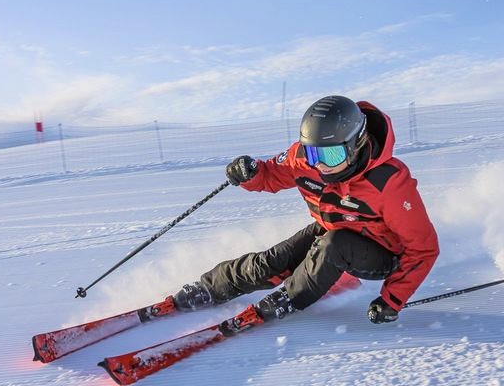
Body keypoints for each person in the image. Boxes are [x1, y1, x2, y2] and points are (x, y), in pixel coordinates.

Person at [170, 95, 440, 334]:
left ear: (356, 143)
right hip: (331, 230)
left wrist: (392, 299)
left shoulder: (389, 184)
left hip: (381, 254)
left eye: (332, 155)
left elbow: (423, 248)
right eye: (313, 154)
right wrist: (250, 173)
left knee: (333, 247)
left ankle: (288, 298)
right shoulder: (303, 159)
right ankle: (209, 288)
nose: (320, 164)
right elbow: (271, 175)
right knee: (273, 261)